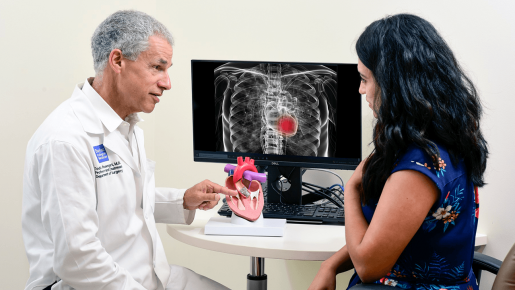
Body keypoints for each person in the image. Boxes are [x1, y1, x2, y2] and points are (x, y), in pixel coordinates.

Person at [22, 10, 237, 290]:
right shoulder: (65, 140)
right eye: (157, 67)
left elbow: (120, 202)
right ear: (118, 60)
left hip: (146, 275)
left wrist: (183, 199)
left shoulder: (125, 123)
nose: (167, 82)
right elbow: (78, 260)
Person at [308, 14, 488, 290]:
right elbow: (391, 233)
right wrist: (330, 264)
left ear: (394, 85)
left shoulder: (419, 166)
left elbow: (369, 266)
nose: (360, 89)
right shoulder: (440, 138)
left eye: (365, 79)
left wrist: (351, 190)